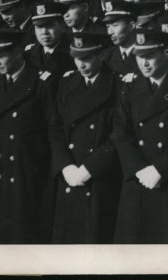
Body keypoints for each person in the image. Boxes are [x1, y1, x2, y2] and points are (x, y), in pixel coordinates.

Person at [112, 26, 168, 243]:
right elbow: (121, 131)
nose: (143, 63)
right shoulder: (132, 85)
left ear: (166, 53)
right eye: (139, 57)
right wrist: (138, 168)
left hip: (166, 179)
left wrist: (160, 168)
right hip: (137, 179)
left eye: (150, 56)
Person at [49, 30, 121, 243]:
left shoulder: (118, 85)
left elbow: (118, 134)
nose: (80, 65)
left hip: (98, 176)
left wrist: (89, 168)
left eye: (86, 58)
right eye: (77, 59)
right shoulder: (68, 83)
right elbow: (56, 128)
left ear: (101, 55)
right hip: (70, 174)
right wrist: (65, 165)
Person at [0, 28, 54, 243]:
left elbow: (52, 128)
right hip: (0, 164)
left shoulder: (42, 82)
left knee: (24, 230)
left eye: (1, 55)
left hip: (28, 168)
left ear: (18, 52)